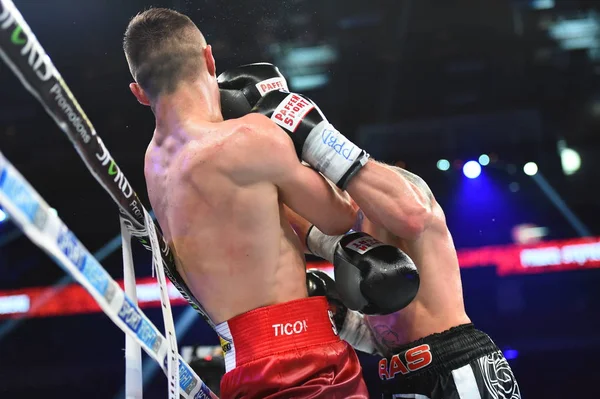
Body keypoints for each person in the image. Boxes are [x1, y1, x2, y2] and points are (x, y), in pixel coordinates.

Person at [220, 66, 521, 398]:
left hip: (456, 370)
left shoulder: (394, 188)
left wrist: (314, 135)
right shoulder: (334, 212)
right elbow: (291, 223)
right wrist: (346, 322)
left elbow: (413, 216)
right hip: (400, 377)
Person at [122, 8, 370, 398]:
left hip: (240, 370)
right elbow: (342, 216)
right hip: (303, 360)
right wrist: (297, 137)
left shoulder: (153, 165)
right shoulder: (250, 136)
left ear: (138, 93)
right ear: (209, 59)